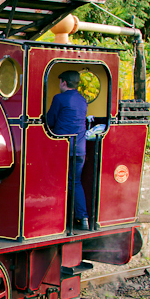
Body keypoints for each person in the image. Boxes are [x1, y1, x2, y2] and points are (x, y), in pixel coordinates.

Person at [46, 70, 90, 230]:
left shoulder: (59, 98)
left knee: (55, 181)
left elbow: (50, 120)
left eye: (59, 82)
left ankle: (55, 219)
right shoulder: (83, 100)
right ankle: (83, 218)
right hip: (80, 148)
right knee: (75, 182)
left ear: (63, 82)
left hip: (63, 148)